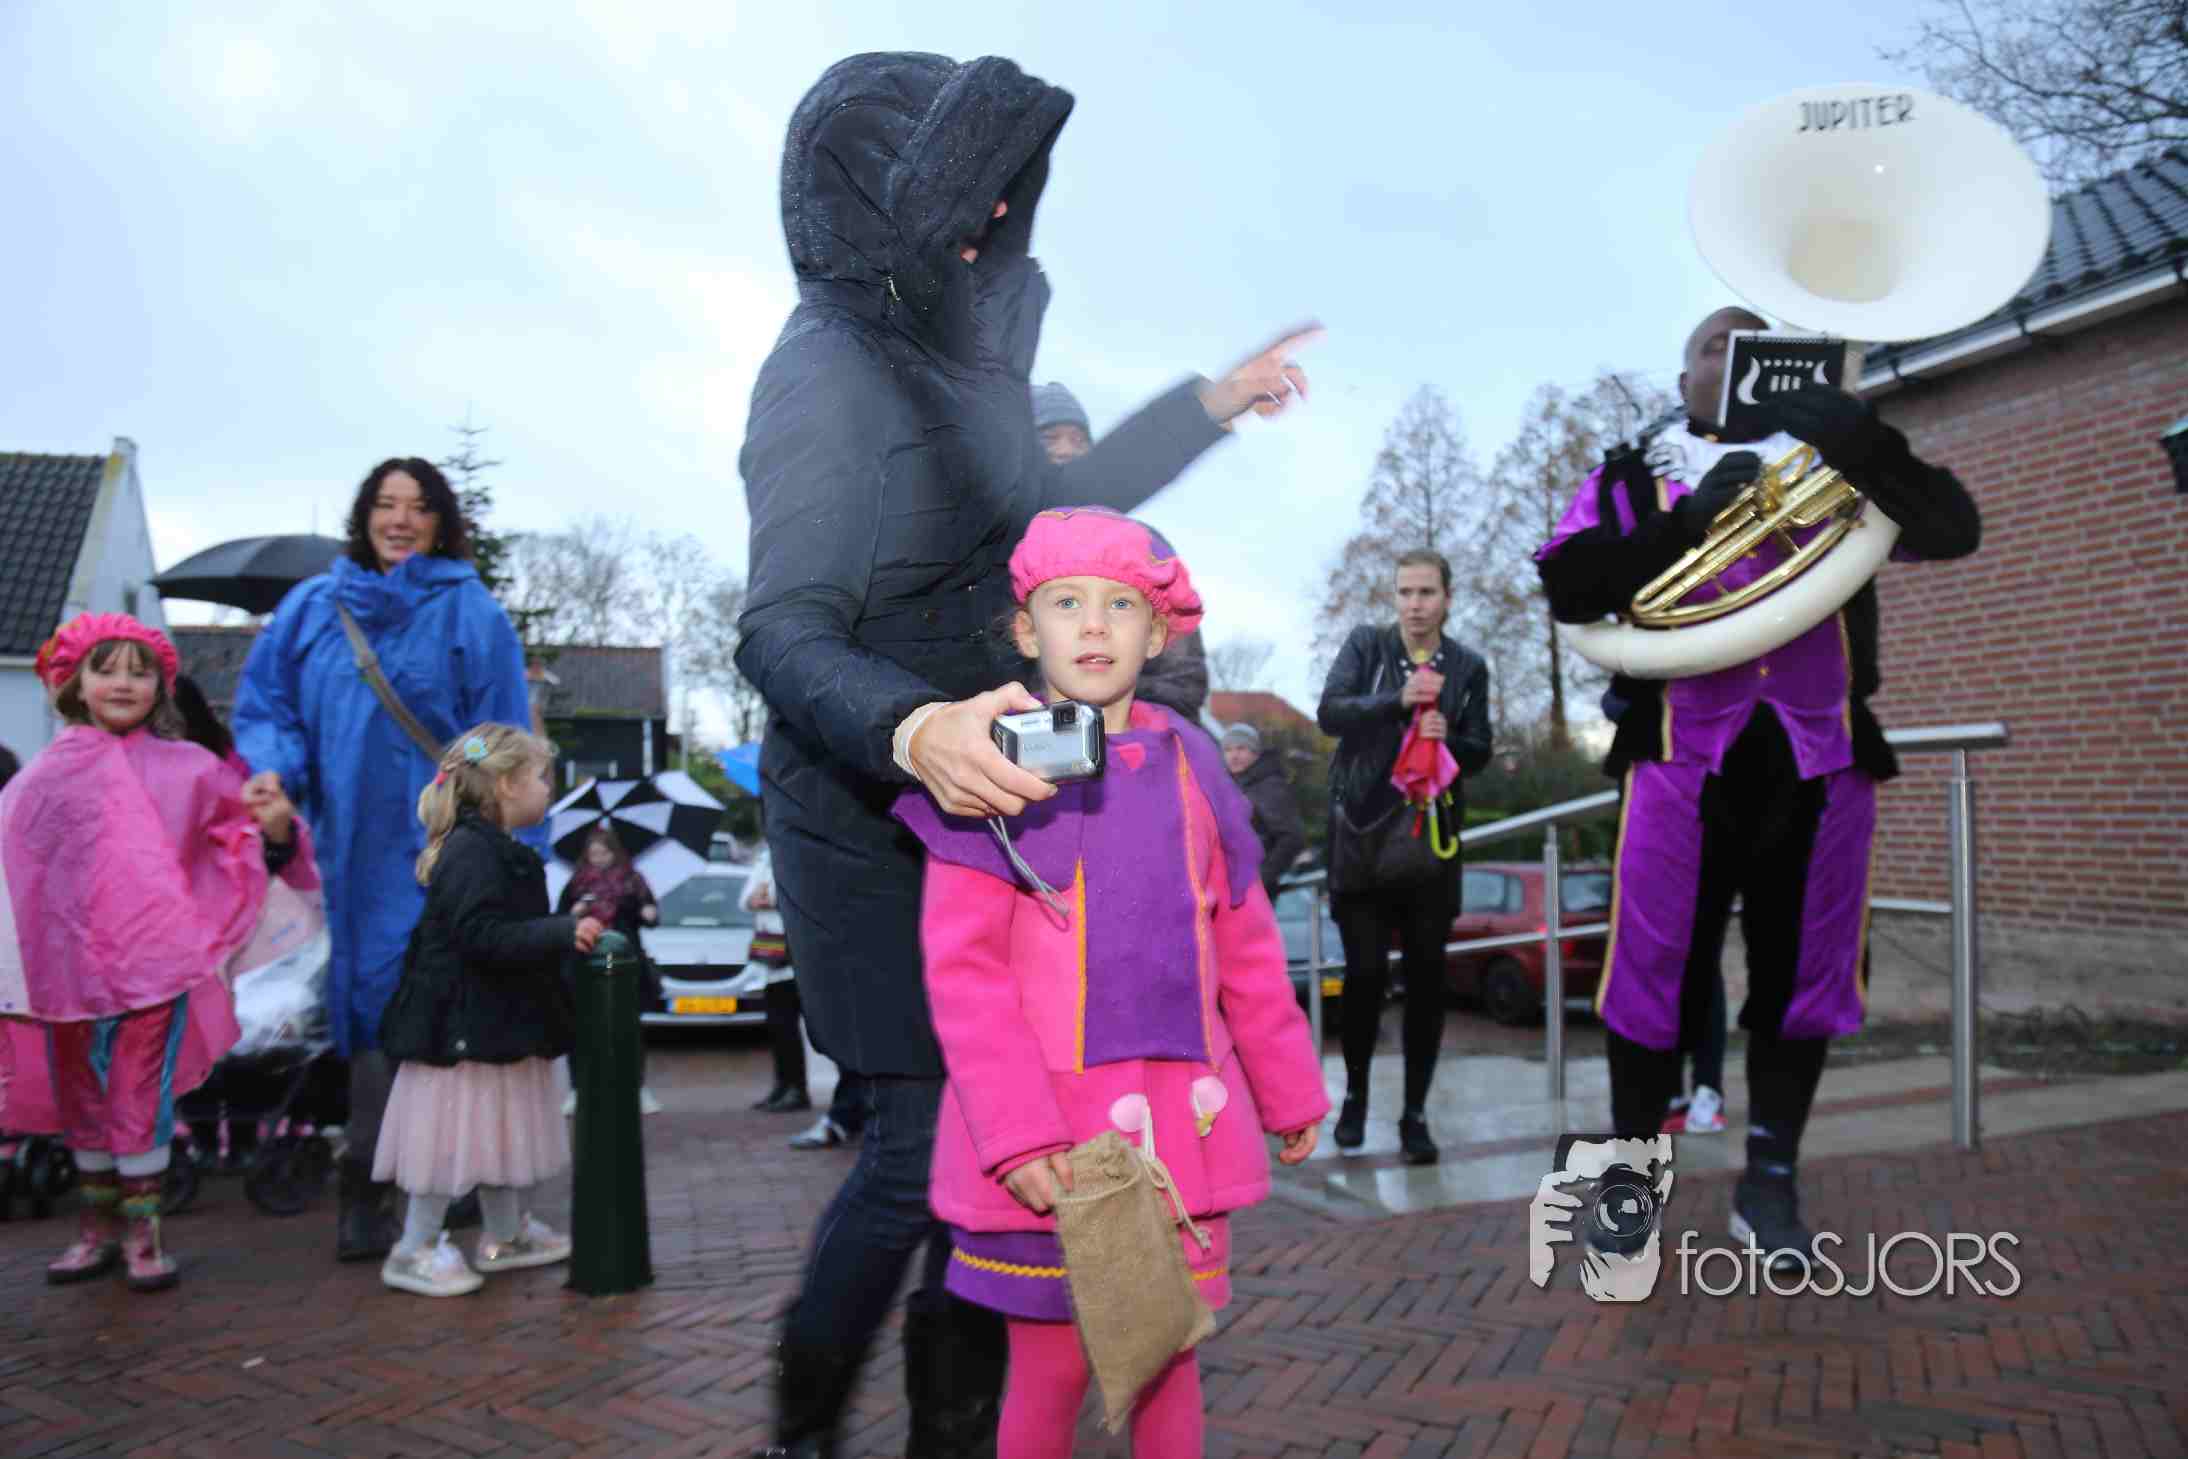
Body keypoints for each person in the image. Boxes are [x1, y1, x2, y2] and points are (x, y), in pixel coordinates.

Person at [734, 51, 1318, 1459]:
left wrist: (1205, 408)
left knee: (1002, 1160)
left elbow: (1057, 509)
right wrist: (913, 727)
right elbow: (780, 627)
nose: (994, 223)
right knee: (918, 1153)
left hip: (1001, 802)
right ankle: (804, 1423)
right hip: (869, 823)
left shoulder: (964, 363)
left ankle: (960, 1429)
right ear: (887, 203)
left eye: (1006, 196)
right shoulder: (823, 373)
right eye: (967, 197)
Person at [1534, 305, 1980, 1267]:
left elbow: (1955, 528)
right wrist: (1682, 524)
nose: (1734, 357)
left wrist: (1861, 439)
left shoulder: (1841, 463)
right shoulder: (1631, 475)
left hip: (1820, 763)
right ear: (1683, 380)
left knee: (1807, 978)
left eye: (1754, 342)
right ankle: (1628, 1189)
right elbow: (1568, 586)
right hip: (1679, 760)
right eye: (1713, 345)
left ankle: (1770, 1182)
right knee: (1650, 975)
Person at [894, 508, 1327, 1459]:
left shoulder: (1198, 765)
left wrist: (1290, 1087)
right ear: (1026, 629)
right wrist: (1016, 1132)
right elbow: (964, 969)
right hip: (1053, 1140)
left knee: (1171, 1360)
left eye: (1121, 604)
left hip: (1180, 1128)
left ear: (1157, 632)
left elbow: (1246, 939)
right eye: (1067, 603)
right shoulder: (989, 764)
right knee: (1049, 1374)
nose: (1094, 624)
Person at [233, 456, 539, 1263]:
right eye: (386, 503)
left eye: (418, 506)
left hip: (444, 843)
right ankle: (366, 1187)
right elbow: (270, 708)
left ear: (441, 523)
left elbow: (500, 732)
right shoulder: (312, 608)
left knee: (444, 1000)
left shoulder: (471, 611)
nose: (400, 519)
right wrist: (274, 772)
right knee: (373, 1004)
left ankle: (450, 1178)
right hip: (351, 849)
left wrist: (493, 821)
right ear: (363, 514)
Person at [0, 614, 314, 1290]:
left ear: (161, 687)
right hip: (65, 970)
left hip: (155, 965)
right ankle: (96, 1229)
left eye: (139, 672)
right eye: (106, 668)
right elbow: (16, 859)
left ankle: (143, 1236)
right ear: (74, 681)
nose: (123, 683)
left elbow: (239, 838)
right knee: (80, 1091)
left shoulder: (191, 769)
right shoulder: (45, 776)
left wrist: (273, 829)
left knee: (139, 1091)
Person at [373, 725, 599, 1298]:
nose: (547, 788)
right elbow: (480, 935)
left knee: (494, 1130)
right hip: (461, 1029)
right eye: (540, 777)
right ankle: (413, 1248)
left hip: (489, 1024)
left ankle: (504, 1235)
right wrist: (559, 932)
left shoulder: (488, 848)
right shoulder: (474, 852)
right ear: (505, 786)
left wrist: (555, 928)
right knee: (448, 1138)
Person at [1317, 550, 1493, 1166]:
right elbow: (1330, 713)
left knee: (1426, 983)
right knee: (1364, 977)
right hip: (1362, 842)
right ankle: (1355, 1099)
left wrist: (1454, 741)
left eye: (1426, 592)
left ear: (1447, 598)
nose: (1414, 604)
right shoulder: (1367, 646)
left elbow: (1481, 748)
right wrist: (1397, 699)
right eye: (1405, 592)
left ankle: (1415, 1115)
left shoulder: (1468, 666)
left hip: (1430, 848)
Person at [556, 827, 664, 1117]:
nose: (599, 859)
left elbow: (651, 913)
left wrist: (648, 913)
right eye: (593, 854)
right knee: (580, 1027)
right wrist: (576, 911)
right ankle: (578, 1090)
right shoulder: (577, 882)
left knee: (628, 1027)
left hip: (625, 961)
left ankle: (637, 1089)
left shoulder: (632, 880)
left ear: (614, 853)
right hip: (584, 961)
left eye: (603, 853)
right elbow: (559, 919)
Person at [1222, 723, 1307, 902]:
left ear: (1255, 752)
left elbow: (1293, 837)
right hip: (1231, 884)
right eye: (1228, 749)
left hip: (1254, 889)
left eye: (1241, 748)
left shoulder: (1269, 786)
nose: (1234, 755)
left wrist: (1262, 876)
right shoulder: (1231, 784)